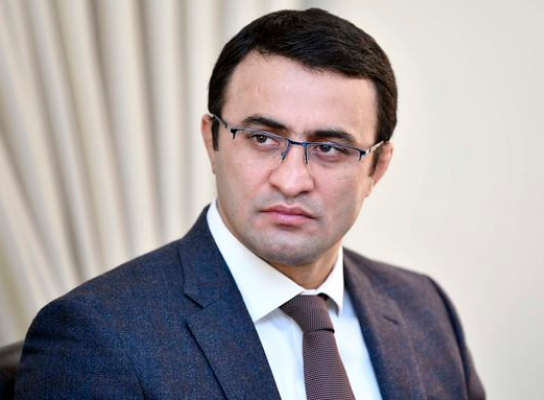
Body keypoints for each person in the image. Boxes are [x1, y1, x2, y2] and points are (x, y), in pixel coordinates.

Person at [15, 8, 485, 400]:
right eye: (262, 138)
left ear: (377, 167)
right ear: (212, 142)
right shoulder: (94, 336)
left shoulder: (425, 308)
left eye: (330, 148)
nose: (291, 180)